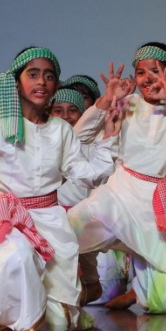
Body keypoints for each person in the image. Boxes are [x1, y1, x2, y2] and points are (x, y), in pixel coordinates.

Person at [0, 46, 121, 331]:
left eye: (48, 76)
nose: (41, 82)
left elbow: (88, 173)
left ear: (56, 84)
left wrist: (109, 140)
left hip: (51, 223)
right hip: (8, 221)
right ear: (17, 82)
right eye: (33, 74)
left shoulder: (60, 131)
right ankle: (8, 321)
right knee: (14, 260)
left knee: (56, 328)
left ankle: (11, 317)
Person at [67, 42, 166, 313]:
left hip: (159, 206)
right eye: (141, 72)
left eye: (155, 71)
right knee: (65, 232)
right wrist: (107, 99)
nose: (147, 79)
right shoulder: (128, 104)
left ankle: (139, 285)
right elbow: (79, 136)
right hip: (120, 197)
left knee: (165, 304)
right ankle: (87, 281)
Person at [51, 87, 129, 305]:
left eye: (73, 110)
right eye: (58, 110)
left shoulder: (89, 141)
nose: (66, 116)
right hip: (60, 217)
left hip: (91, 215)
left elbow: (95, 175)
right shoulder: (48, 141)